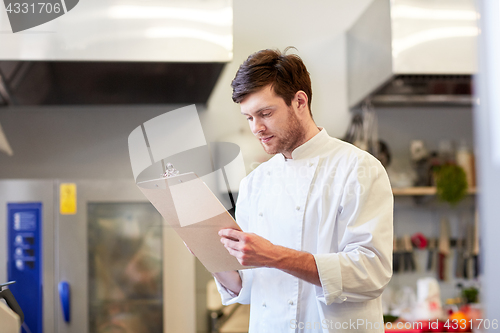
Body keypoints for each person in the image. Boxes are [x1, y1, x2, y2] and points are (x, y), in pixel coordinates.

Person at [214, 48, 393, 333]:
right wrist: (210, 254)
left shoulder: (358, 169)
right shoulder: (255, 183)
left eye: (265, 113)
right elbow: (247, 289)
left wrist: (272, 255)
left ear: (299, 101)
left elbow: (371, 272)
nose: (256, 128)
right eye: (249, 118)